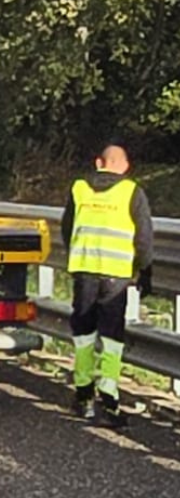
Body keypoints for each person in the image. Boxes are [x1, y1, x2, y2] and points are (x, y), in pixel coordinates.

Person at [60, 141, 154, 428]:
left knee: (84, 332)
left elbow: (67, 229)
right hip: (117, 275)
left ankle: (83, 393)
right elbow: (144, 236)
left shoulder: (79, 189)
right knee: (112, 337)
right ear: (125, 167)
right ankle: (109, 395)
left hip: (85, 270)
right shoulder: (131, 191)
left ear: (99, 163)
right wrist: (145, 272)